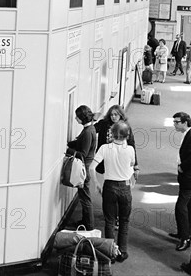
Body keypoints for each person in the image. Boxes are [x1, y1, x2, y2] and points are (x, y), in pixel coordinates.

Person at [89, 121, 138, 263]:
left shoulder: (104, 148)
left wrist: (97, 183)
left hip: (109, 187)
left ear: (111, 134)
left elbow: (92, 167)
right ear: (126, 135)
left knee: (109, 221)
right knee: (124, 221)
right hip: (125, 187)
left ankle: (110, 251)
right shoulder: (130, 150)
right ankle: (122, 251)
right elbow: (132, 165)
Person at [169, 112, 191, 251]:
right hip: (187, 176)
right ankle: (184, 232)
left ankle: (186, 238)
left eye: (177, 122)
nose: (174, 124)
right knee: (187, 205)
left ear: (185, 122)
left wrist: (182, 167)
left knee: (180, 207)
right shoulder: (188, 133)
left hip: (189, 176)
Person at [66, 105, 96, 231]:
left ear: (81, 118)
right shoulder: (89, 128)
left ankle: (88, 225)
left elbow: (83, 153)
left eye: (77, 116)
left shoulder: (88, 132)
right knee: (84, 197)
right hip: (86, 167)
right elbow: (81, 143)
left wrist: (68, 150)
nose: (75, 118)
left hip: (85, 169)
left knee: (85, 199)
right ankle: (86, 222)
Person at [94, 105, 138, 174]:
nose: (113, 117)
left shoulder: (125, 127)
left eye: (115, 114)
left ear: (120, 115)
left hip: (119, 157)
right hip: (105, 156)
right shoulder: (103, 123)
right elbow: (92, 130)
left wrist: (136, 165)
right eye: (111, 115)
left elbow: (131, 143)